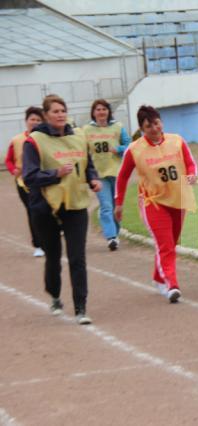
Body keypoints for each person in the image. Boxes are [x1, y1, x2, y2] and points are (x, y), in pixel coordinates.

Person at [22, 95, 102, 325]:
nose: (60, 114)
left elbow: (88, 166)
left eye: (63, 110)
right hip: (45, 207)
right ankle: (55, 295)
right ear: (46, 115)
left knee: (77, 257)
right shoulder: (34, 141)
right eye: (55, 111)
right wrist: (54, 174)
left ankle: (81, 308)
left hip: (75, 204)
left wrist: (93, 179)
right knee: (54, 257)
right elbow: (29, 176)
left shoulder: (78, 136)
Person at [115, 105, 197, 303]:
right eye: (148, 125)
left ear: (161, 122)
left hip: (177, 199)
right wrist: (119, 203)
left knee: (171, 242)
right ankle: (172, 284)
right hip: (153, 202)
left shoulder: (177, 141)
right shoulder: (134, 149)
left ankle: (159, 277)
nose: (154, 128)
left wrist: (193, 175)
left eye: (156, 123)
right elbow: (122, 176)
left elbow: (190, 163)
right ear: (142, 129)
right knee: (165, 244)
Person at [83, 99, 131, 251]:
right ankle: (111, 237)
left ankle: (115, 234)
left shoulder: (118, 127)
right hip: (99, 174)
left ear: (109, 111)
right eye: (98, 109)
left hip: (117, 173)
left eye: (104, 109)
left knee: (117, 205)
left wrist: (119, 149)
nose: (101, 112)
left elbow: (129, 145)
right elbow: (81, 149)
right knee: (106, 206)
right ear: (93, 113)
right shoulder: (86, 130)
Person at [5, 106, 45, 257]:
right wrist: (13, 170)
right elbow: (9, 159)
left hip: (44, 180)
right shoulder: (17, 140)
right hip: (24, 182)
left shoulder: (46, 138)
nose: (34, 122)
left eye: (38, 120)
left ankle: (50, 237)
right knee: (32, 211)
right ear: (26, 121)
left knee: (46, 211)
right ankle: (38, 244)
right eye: (32, 119)